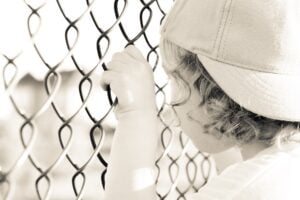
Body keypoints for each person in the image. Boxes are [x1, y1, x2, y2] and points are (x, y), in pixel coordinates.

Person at [100, 0, 300, 199]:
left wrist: (136, 115)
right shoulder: (282, 171)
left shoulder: (250, 189)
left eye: (173, 79)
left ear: (214, 99)